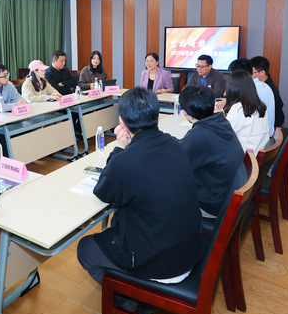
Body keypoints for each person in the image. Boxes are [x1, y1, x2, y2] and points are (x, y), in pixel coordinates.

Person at [77, 87, 202, 290]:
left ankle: (127, 299)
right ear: (158, 117)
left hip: (161, 265)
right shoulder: (176, 144)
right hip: (188, 251)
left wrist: (119, 147)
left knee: (85, 248)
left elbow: (103, 192)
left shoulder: (124, 161)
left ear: (122, 122)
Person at [178, 86, 244, 218]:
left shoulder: (199, 135)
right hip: (228, 196)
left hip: (212, 205)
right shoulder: (221, 122)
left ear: (185, 112)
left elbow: (174, 163)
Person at [223, 70, 270, 154]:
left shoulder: (238, 109)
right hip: (255, 153)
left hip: (244, 156)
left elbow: (224, 132)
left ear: (233, 89)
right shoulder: (259, 106)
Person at [228, 58, 275, 134]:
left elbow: (229, 128)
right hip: (264, 133)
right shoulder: (262, 85)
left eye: (231, 75)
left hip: (256, 135)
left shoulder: (252, 88)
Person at [251, 56, 285, 128]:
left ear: (262, 73)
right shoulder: (265, 83)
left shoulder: (266, 89)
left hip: (272, 124)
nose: (249, 75)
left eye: (251, 72)